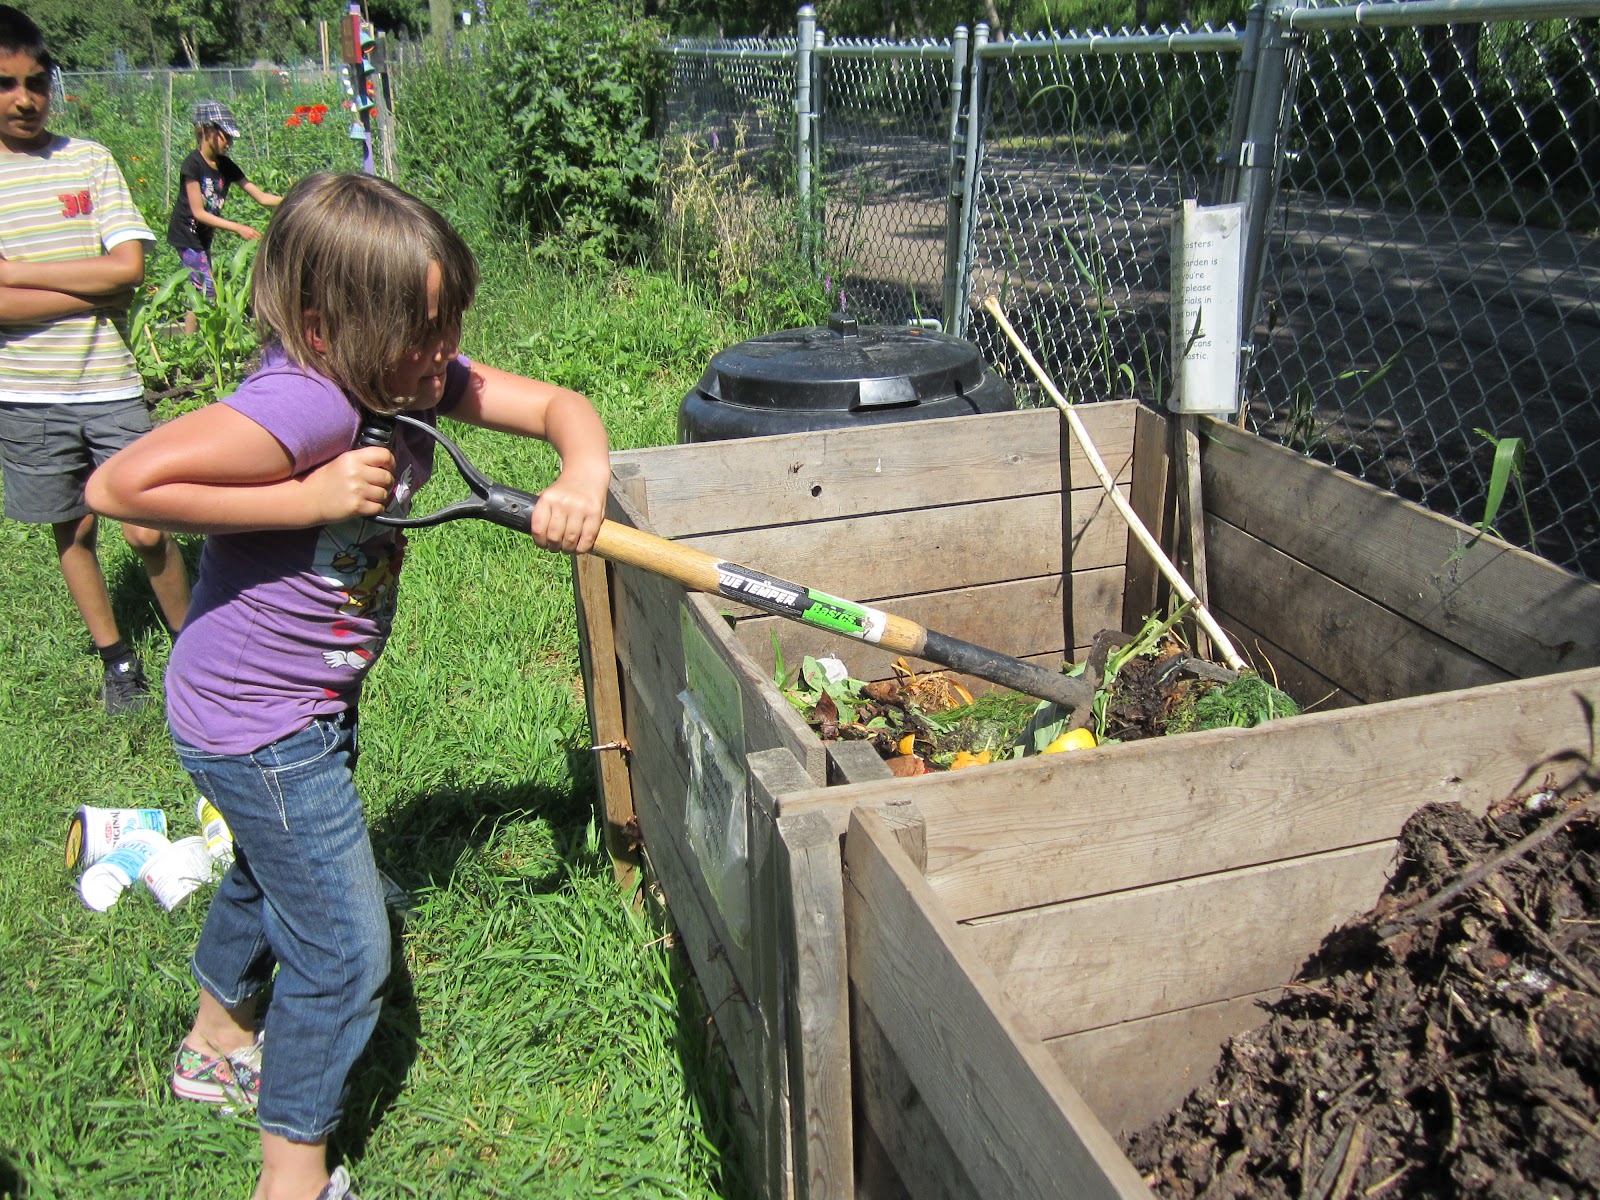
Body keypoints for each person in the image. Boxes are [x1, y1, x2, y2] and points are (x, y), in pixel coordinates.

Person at [87, 171, 610, 1200]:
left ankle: (215, 1041)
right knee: (344, 950)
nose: (446, 353)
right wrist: (307, 495)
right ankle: (292, 1174)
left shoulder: (406, 378)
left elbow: (560, 407)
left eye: (450, 324)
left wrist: (581, 474)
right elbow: (120, 486)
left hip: (306, 703)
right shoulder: (305, 401)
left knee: (264, 868)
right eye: (424, 331)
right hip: (255, 721)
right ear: (326, 331)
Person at [0, 5, 190, 714]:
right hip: (25, 391)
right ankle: (118, 660)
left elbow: (128, 268)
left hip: (107, 382)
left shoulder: (88, 160)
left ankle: (192, 647)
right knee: (74, 526)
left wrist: (18, 277)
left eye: (36, 81)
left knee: (147, 523)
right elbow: (98, 281)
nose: (25, 98)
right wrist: (91, 286)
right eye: (6, 83)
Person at [166, 99, 281, 334]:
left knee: (200, 290)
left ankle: (194, 341)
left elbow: (260, 197)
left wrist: (297, 198)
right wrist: (238, 227)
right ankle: (195, 342)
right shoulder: (193, 165)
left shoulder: (225, 165)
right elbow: (198, 212)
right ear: (206, 131)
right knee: (206, 290)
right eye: (225, 136)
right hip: (187, 234)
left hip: (202, 236)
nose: (229, 142)